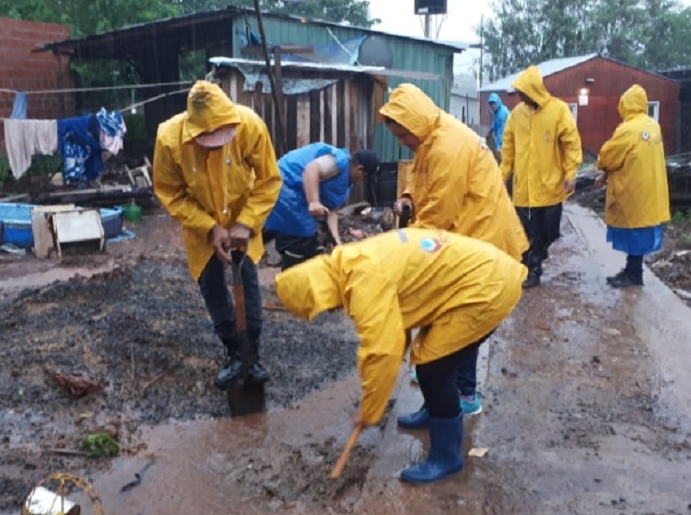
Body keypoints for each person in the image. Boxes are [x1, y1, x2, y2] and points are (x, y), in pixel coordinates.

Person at [274, 228, 526, 484]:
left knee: (434, 369)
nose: (330, 310)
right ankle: (434, 412)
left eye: (323, 307)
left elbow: (382, 350)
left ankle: (447, 457)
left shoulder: (365, 282)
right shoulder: (349, 262)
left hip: (485, 288)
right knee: (430, 356)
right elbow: (398, 325)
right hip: (477, 276)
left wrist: (370, 410)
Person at [379, 83, 528, 418]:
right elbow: (421, 177)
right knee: (442, 322)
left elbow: (438, 216)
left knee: (458, 328)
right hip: (466, 240)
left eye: (404, 137)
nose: (404, 143)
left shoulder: (448, 146)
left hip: (484, 245)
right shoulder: (431, 137)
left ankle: (461, 398)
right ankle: (437, 403)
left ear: (416, 123)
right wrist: (408, 197)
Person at [153, 80, 282, 389]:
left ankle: (252, 354)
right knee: (212, 287)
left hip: (242, 219)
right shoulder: (169, 138)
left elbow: (268, 180)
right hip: (201, 226)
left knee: (247, 282)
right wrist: (209, 227)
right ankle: (233, 353)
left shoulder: (250, 125)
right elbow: (170, 192)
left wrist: (246, 223)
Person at [501, 65, 583, 289]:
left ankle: (537, 256)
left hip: (550, 187)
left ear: (534, 90)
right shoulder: (517, 115)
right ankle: (532, 269)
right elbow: (508, 147)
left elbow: (571, 144)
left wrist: (570, 173)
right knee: (527, 233)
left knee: (550, 232)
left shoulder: (558, 111)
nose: (520, 97)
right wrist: (503, 174)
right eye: (519, 93)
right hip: (524, 190)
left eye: (523, 92)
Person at [594, 84, 670, 287]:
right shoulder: (653, 126)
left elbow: (608, 158)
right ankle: (632, 269)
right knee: (641, 232)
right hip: (650, 189)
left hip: (633, 190)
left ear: (626, 104)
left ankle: (634, 275)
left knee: (633, 232)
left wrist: (603, 167)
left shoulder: (628, 129)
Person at [263, 143, 379, 269]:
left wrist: (337, 242)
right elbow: (311, 169)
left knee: (309, 240)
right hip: (287, 182)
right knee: (301, 235)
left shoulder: (346, 185)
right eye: (365, 177)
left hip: (298, 195)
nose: (362, 181)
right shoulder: (338, 161)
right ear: (360, 170)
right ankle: (292, 278)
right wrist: (314, 202)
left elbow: (332, 212)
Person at [486, 92, 510, 162]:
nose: (492, 106)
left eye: (494, 103)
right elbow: (494, 124)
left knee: (503, 161)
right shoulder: (497, 112)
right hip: (504, 140)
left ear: (498, 102)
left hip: (507, 140)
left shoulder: (501, 114)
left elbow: (501, 131)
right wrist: (490, 132)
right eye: (491, 104)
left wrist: (499, 147)